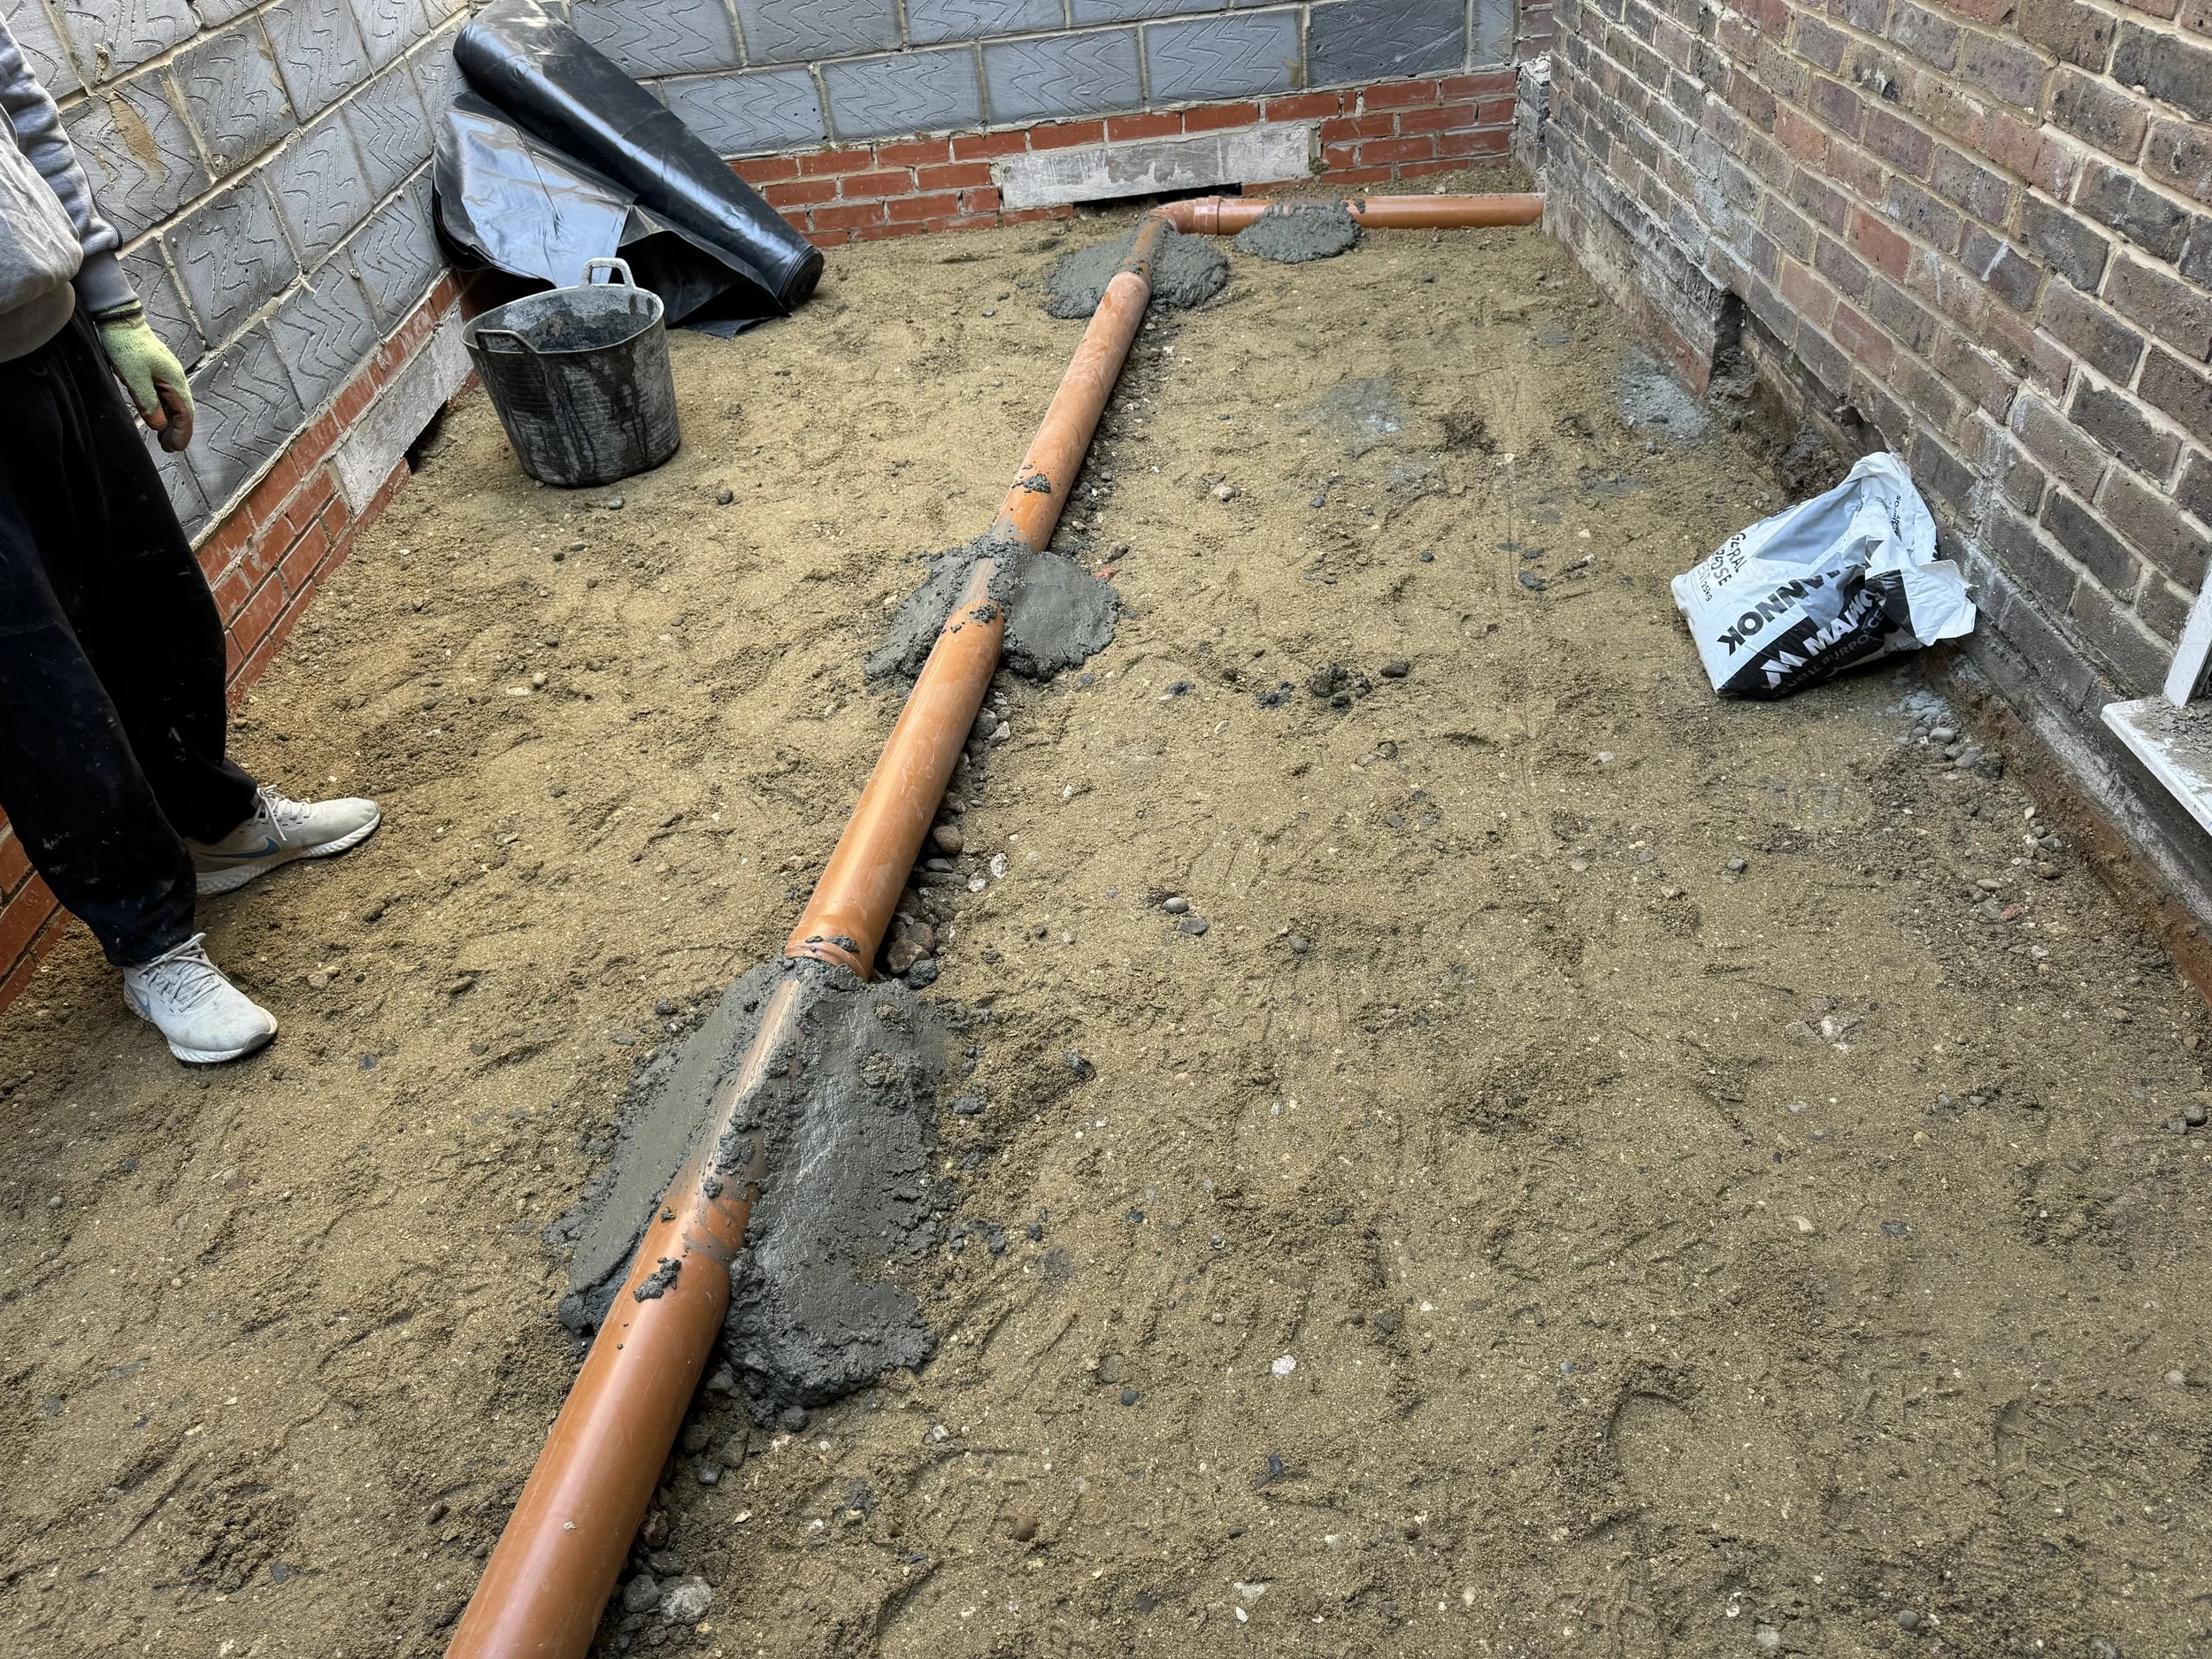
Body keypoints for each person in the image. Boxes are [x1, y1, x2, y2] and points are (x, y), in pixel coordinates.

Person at [1, 18, 380, 1064]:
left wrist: (110, 304)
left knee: (154, 609)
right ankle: (150, 939)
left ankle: (211, 823)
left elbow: (19, 106)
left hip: (48, 332)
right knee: (38, 693)